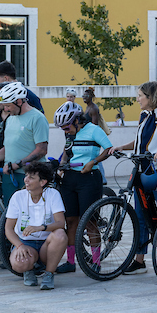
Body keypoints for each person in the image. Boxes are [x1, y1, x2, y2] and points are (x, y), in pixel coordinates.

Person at [106, 81, 157, 275]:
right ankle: (139, 260)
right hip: (142, 169)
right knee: (140, 216)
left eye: (140, 95)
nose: (137, 99)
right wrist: (121, 147)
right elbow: (140, 142)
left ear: (151, 97)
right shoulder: (144, 115)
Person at [53, 102, 112, 274]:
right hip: (70, 178)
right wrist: (61, 165)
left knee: (90, 222)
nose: (65, 131)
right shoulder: (70, 133)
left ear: (77, 120)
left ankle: (96, 262)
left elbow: (108, 149)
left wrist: (93, 162)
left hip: (89, 177)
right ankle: (70, 262)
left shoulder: (94, 130)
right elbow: (67, 151)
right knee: (70, 221)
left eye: (66, 127)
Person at [4, 160, 68, 291]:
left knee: (61, 234)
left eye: (31, 178)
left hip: (47, 244)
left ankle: (49, 274)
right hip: (26, 243)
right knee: (18, 264)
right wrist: (19, 246)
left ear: (42, 182)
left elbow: (61, 223)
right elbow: (8, 229)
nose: (26, 180)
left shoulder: (53, 194)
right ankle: (29, 270)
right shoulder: (18, 196)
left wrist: (42, 227)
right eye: (26, 175)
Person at [0, 82, 49, 208]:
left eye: (8, 106)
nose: (6, 109)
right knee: (11, 214)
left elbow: (41, 150)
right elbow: (7, 148)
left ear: (19, 101)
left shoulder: (37, 118)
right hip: (10, 175)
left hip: (31, 175)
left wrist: (18, 164)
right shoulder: (10, 119)